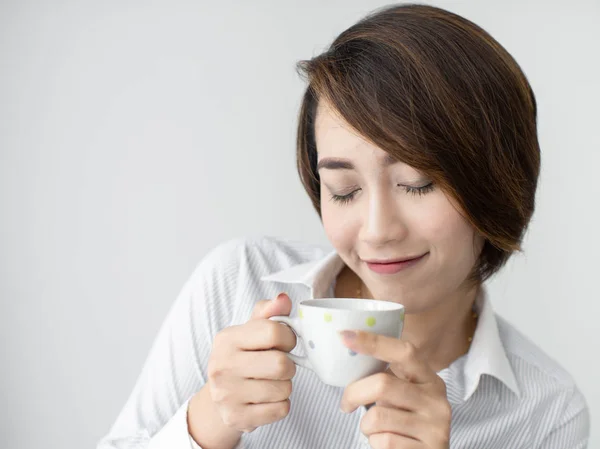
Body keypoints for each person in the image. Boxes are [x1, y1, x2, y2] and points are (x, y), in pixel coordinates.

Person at [97, 3, 590, 449]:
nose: (377, 231)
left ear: (497, 183)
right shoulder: (238, 282)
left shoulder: (546, 412)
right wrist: (206, 422)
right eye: (344, 190)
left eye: (417, 184)